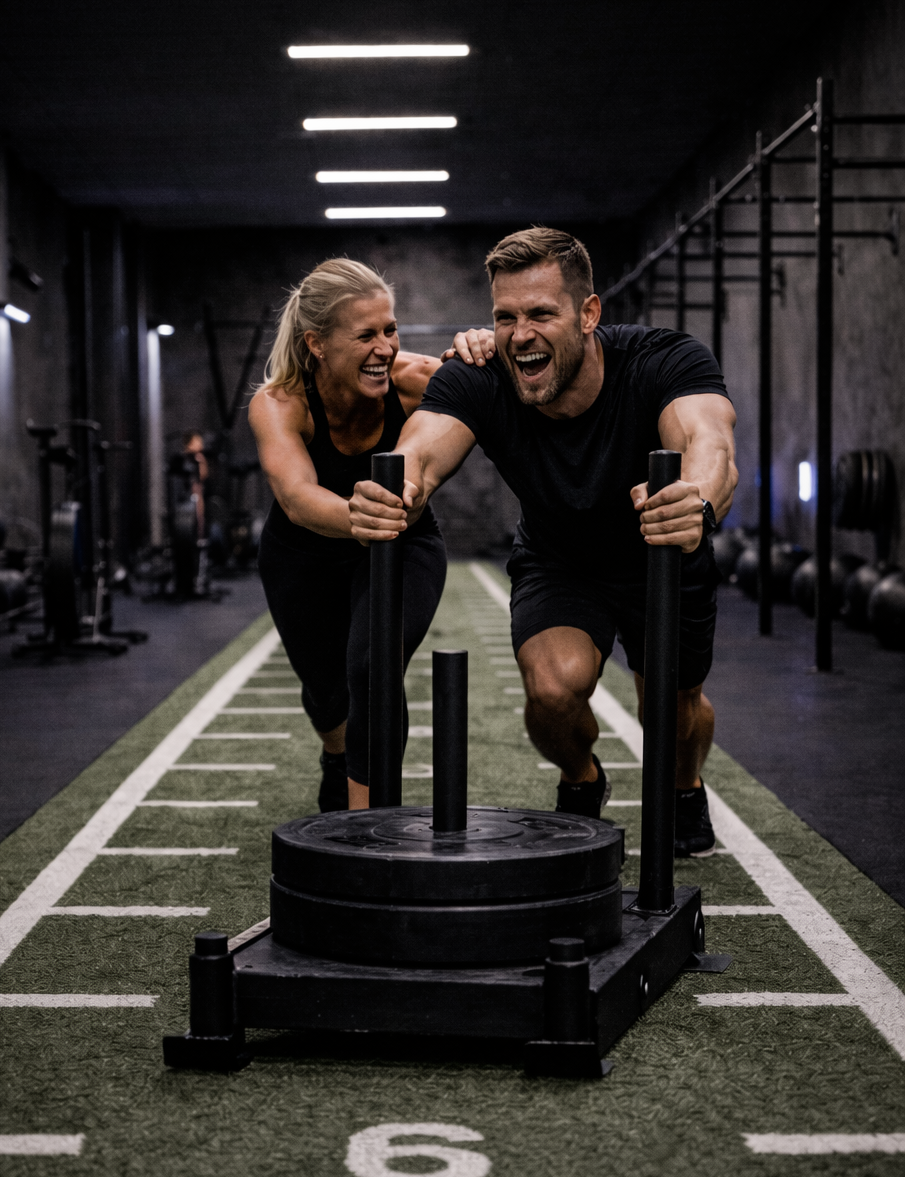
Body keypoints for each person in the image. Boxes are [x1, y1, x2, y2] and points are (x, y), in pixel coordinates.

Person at [349, 227, 737, 858]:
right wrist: (395, 490)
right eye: (505, 316)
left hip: (662, 546)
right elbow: (420, 449)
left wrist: (693, 498)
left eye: (540, 314)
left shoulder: (664, 359)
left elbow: (711, 442)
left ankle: (685, 785)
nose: (520, 334)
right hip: (561, 559)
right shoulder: (481, 376)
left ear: (588, 314)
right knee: (553, 691)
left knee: (672, 708)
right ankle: (582, 779)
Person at [249, 259, 493, 811]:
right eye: (366, 335)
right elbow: (295, 495)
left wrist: (484, 347)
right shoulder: (279, 403)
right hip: (302, 554)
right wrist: (359, 519)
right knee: (327, 694)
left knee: (371, 667)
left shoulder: (415, 381)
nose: (385, 347)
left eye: (391, 329)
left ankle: (366, 828)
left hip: (403, 544)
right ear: (318, 343)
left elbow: (491, 390)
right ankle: (337, 756)